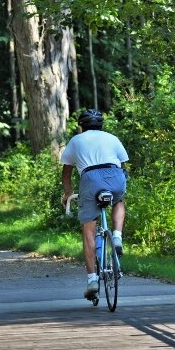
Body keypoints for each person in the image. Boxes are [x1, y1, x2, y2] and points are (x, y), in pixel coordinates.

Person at [60, 109, 129, 299]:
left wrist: (67, 193)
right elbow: (123, 164)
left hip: (90, 179)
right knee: (119, 200)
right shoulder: (112, 138)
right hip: (115, 175)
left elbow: (66, 172)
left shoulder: (76, 140)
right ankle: (116, 236)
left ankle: (92, 280)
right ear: (101, 125)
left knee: (89, 230)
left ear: (81, 126)